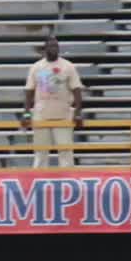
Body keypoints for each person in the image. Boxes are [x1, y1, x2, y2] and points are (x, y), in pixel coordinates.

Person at [21, 36, 84, 167]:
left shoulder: (68, 66)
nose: (54, 48)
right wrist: (26, 113)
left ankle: (68, 182)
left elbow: (77, 90)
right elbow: (29, 91)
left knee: (66, 152)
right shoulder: (36, 67)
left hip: (63, 114)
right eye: (51, 46)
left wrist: (77, 112)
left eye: (56, 46)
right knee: (40, 153)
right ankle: (39, 181)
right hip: (41, 114)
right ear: (45, 49)